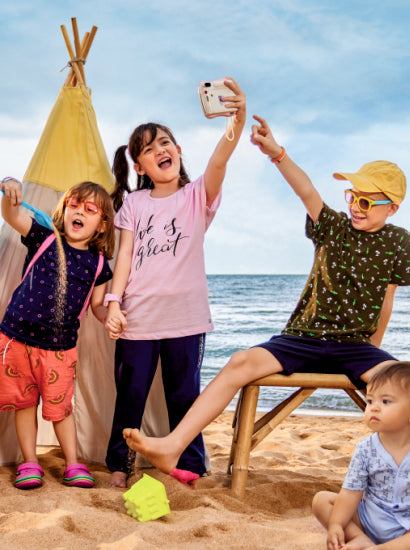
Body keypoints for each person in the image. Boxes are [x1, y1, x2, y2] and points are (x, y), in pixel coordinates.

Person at [124, 115, 410, 479]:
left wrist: (372, 352)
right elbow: (306, 190)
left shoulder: (398, 241)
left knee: (407, 383)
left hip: (356, 346)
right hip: (303, 338)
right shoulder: (333, 226)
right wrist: (276, 153)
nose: (356, 206)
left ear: (392, 208)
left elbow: (386, 301)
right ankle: (173, 445)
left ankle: (401, 472)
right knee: (238, 364)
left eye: (367, 202)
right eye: (353, 197)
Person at [101, 78, 248, 488]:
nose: (159, 150)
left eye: (165, 142)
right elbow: (125, 255)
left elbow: (220, 160)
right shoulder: (133, 203)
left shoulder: (197, 195)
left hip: (185, 319)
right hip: (138, 318)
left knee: (184, 398)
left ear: (178, 151)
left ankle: (192, 466)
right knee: (129, 397)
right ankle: (119, 463)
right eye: (148, 149)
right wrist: (114, 304)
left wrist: (235, 121)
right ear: (139, 166)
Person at [0, 177, 115, 489]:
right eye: (74, 205)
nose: (80, 212)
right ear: (63, 210)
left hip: (60, 348)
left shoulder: (99, 264)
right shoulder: (44, 237)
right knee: (23, 403)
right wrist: (9, 192)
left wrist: (110, 316)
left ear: (102, 225)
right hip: (16, 339)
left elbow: (97, 306)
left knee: (61, 409)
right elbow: (12, 216)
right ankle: (30, 462)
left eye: (90, 209)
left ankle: (72, 463)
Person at [312, 361, 410, 549]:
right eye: (370, 400)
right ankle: (358, 538)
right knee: (321, 500)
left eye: (385, 401)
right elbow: (350, 493)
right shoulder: (365, 448)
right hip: (368, 519)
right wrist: (337, 524)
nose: (374, 407)